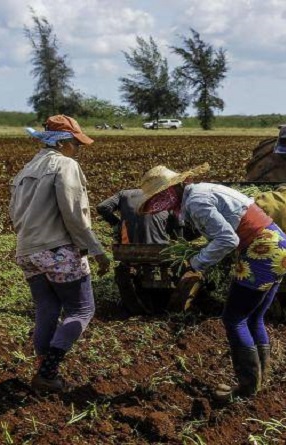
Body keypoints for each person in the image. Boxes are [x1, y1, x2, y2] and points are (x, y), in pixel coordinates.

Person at [138, 164, 286, 402]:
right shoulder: (201, 192)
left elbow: (227, 239)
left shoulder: (196, 202)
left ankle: (247, 387)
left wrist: (196, 263)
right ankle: (261, 379)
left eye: (163, 195)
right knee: (253, 317)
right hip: (279, 247)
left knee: (233, 318)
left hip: (262, 252)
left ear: (177, 187)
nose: (162, 201)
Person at [10, 115, 110, 393]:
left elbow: (13, 214)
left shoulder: (26, 169)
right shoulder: (66, 165)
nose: (78, 150)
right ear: (64, 143)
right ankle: (47, 372)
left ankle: (44, 371)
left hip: (27, 250)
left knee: (47, 308)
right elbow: (75, 214)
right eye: (76, 144)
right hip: (57, 249)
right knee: (82, 309)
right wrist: (96, 250)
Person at [97, 189, 182, 314]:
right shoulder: (169, 197)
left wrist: (117, 223)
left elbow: (102, 207)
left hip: (130, 252)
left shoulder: (124, 194)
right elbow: (178, 227)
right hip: (161, 252)